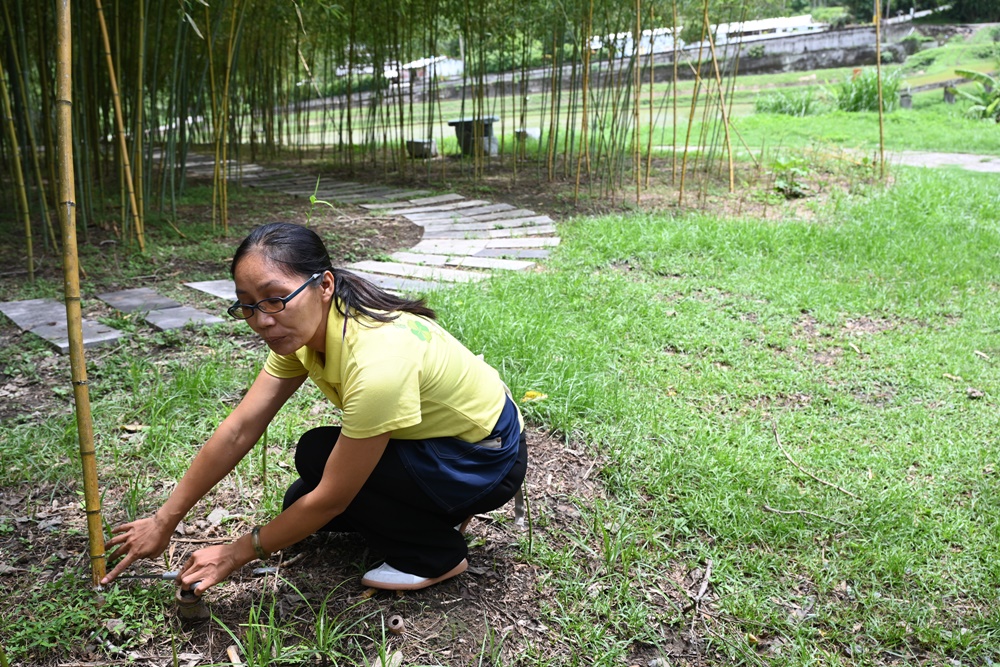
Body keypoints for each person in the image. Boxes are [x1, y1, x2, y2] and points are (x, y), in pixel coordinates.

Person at [101, 221, 527, 593]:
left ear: (324, 285)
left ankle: (436, 555)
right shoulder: (304, 328)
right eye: (248, 305)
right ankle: (429, 511)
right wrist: (165, 519)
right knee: (303, 489)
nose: (262, 319)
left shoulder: (378, 361)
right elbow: (241, 427)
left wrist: (232, 554)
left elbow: (331, 499)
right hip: (440, 444)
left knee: (322, 479)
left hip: (483, 461)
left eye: (274, 298)